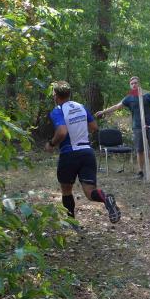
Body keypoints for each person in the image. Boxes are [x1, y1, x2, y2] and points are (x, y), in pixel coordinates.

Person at [45, 81, 121, 224]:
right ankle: (106, 198)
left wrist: (51, 144)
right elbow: (94, 127)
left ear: (55, 95)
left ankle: (71, 222)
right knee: (90, 192)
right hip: (87, 152)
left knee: (66, 190)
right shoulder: (81, 107)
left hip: (69, 154)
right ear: (69, 94)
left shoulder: (58, 110)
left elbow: (62, 132)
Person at [95, 76, 150, 179]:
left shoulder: (147, 95)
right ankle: (140, 172)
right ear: (130, 85)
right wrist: (104, 111)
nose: (134, 85)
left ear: (139, 84)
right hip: (137, 127)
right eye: (132, 83)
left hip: (149, 125)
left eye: (135, 83)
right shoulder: (129, 97)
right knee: (139, 149)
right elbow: (117, 106)